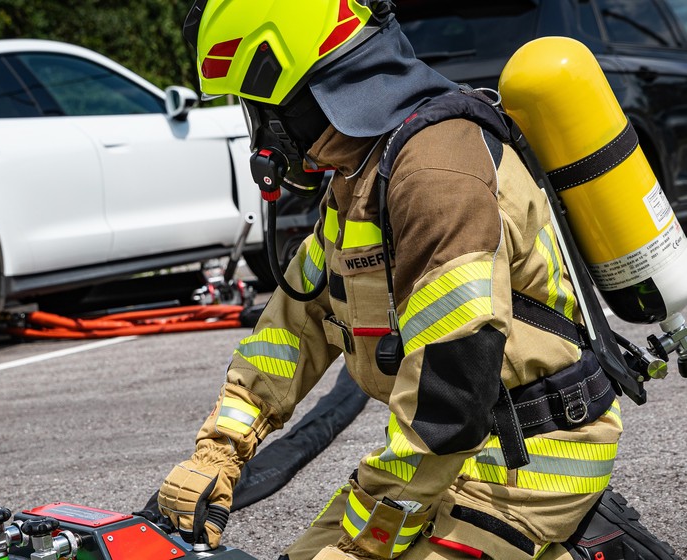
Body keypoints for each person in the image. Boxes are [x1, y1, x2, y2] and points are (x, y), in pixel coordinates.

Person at [156, 1, 675, 559]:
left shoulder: (435, 175)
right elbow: (295, 326)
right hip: (449, 457)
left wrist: (371, 540)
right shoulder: (362, 172)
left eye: (256, 105)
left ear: (293, 87)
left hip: (525, 469)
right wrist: (220, 450)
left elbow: (451, 390)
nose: (261, 130)